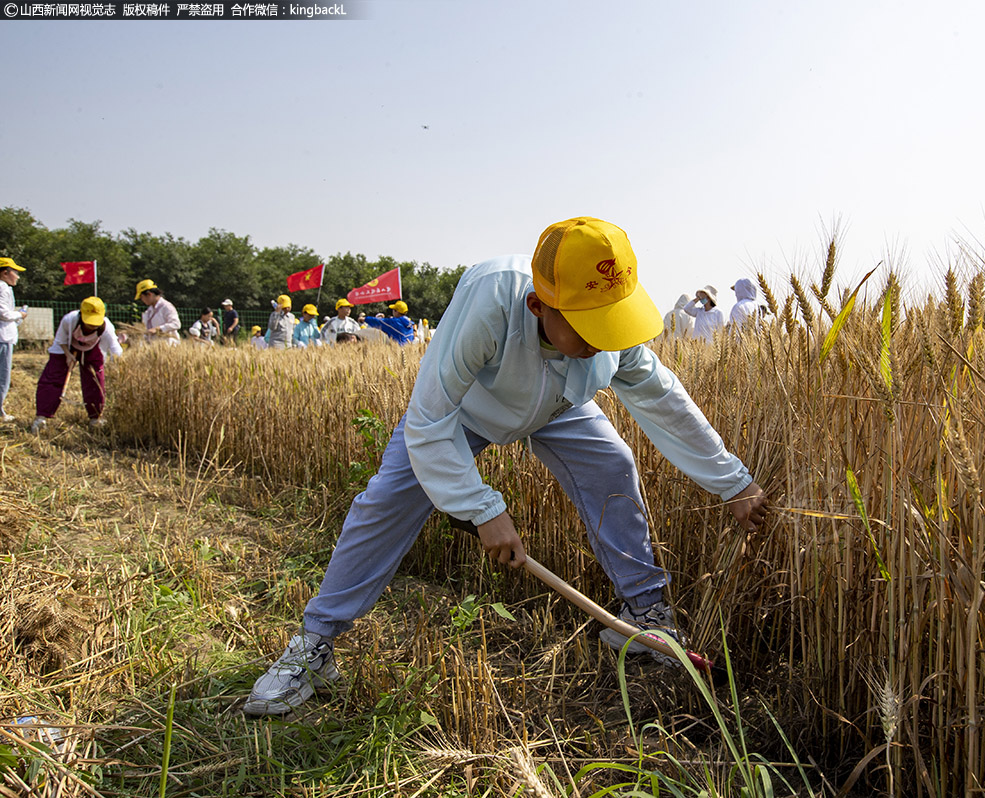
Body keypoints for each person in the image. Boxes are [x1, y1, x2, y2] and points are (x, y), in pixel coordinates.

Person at [243, 217, 768, 716]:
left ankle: (643, 615)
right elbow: (430, 418)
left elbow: (663, 399)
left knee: (613, 462)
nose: (602, 341)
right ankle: (313, 646)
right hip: (466, 408)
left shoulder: (605, 341)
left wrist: (733, 481)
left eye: (611, 323)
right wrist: (481, 508)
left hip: (561, 402)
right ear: (540, 306)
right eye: (587, 327)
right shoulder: (491, 299)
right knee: (387, 499)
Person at [31, 296, 123, 434]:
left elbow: (115, 348)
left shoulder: (106, 326)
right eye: (89, 322)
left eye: (95, 323)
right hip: (66, 348)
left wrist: (120, 365)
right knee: (52, 378)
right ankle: (41, 417)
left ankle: (96, 417)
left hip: (92, 350)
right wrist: (68, 355)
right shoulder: (70, 319)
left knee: (95, 381)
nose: (92, 326)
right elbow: (61, 340)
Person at [0, 257, 30, 423]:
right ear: (5, 272)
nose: (17, 276)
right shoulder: (2, 288)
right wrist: (20, 314)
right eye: (15, 272)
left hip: (4, 336)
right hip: (3, 337)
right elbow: (3, 314)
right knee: (3, 376)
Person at [136, 280, 181, 344]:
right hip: (154, 347)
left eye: (141, 297)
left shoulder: (166, 307)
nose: (142, 300)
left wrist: (158, 329)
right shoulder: (148, 312)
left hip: (169, 347)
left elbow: (176, 324)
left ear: (149, 294)